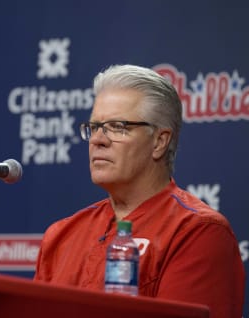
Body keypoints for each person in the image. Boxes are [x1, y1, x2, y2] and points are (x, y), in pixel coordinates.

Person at [33, 64, 245, 317]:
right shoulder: (61, 235)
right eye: (94, 127)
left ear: (159, 141)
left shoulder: (198, 233)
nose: (98, 139)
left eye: (118, 126)